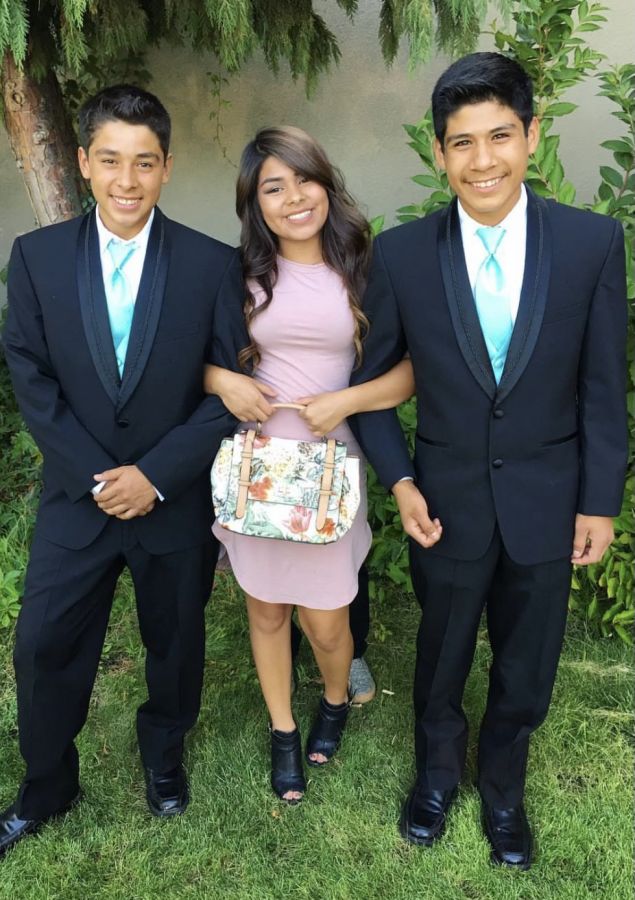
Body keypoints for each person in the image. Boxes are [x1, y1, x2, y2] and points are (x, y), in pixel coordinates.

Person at [350, 52, 627, 869]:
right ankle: (436, 775)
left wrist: (599, 501)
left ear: (531, 135)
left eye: (499, 136)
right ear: (438, 152)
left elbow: (601, 386)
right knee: (440, 652)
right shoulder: (401, 254)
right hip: (445, 503)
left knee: (527, 658)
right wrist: (400, 481)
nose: (482, 160)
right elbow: (371, 388)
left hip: (548, 499)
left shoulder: (589, 243)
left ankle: (503, 786)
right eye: (461, 142)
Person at [0, 84, 246, 856]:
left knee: (175, 642)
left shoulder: (212, 265)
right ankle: (47, 783)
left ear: (167, 166)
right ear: (83, 162)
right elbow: (31, 376)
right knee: (42, 642)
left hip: (170, 500)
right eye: (110, 160)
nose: (127, 180)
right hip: (80, 499)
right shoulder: (36, 258)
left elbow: (229, 390)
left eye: (144, 162)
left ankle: (163, 755)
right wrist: (101, 479)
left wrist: (156, 475)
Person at [204, 126, 415, 803]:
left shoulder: (366, 267)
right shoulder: (236, 275)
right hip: (258, 469)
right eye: (274, 187)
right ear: (254, 203)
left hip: (330, 470)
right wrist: (222, 381)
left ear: (326, 184)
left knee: (326, 622)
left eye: (304, 179)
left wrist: (345, 400)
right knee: (266, 613)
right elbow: (190, 359)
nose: (293, 197)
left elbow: (407, 374)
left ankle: (332, 697)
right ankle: (283, 730)